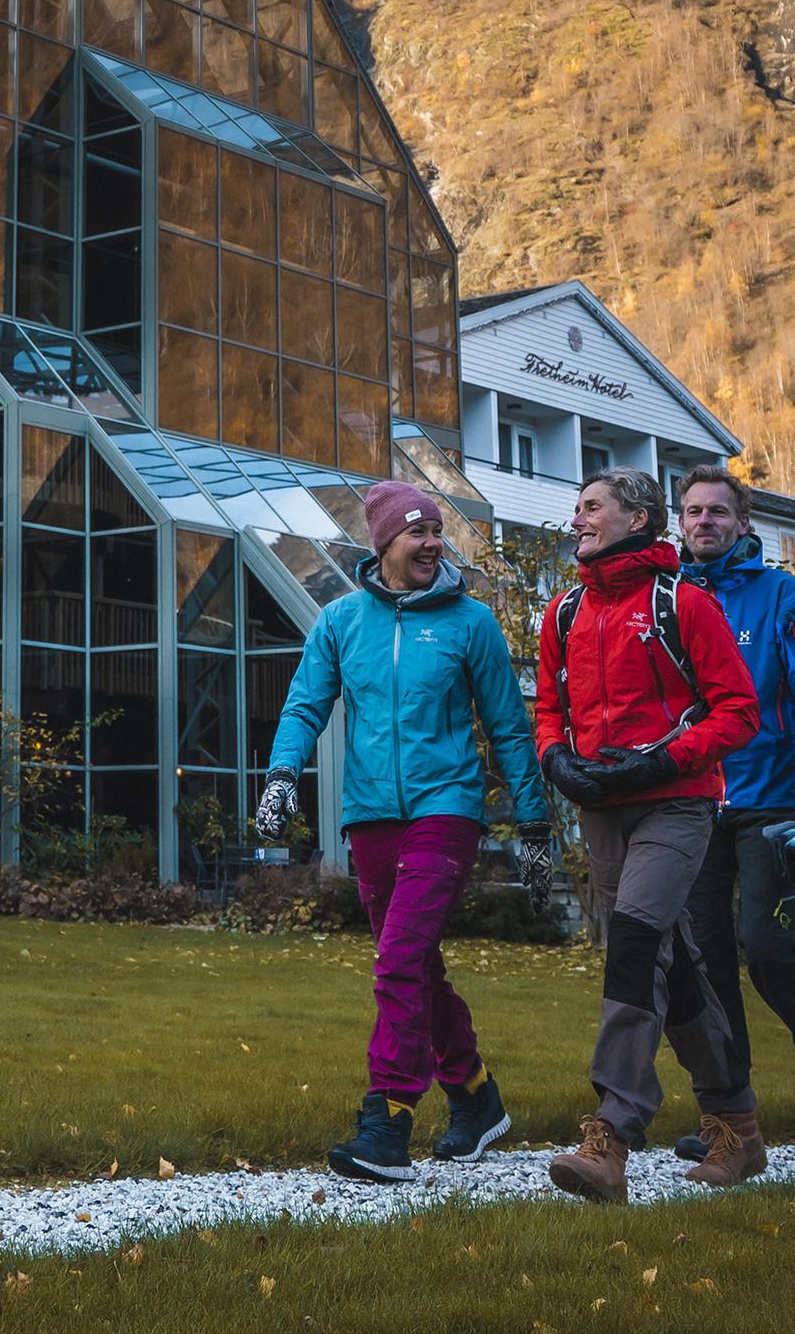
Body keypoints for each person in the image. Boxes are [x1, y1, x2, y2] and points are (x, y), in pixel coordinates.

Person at [257, 479, 540, 1184]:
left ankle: (388, 1118)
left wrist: (533, 820)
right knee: (415, 963)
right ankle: (475, 1096)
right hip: (371, 816)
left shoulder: (470, 623)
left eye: (437, 530)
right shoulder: (341, 623)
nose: (432, 542)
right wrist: (283, 774)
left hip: (447, 810)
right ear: (383, 543)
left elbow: (509, 725)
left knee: (397, 962)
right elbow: (302, 706)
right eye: (417, 532)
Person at [533, 466, 765, 1203]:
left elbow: (738, 710)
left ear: (637, 517)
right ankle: (736, 1124)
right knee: (671, 963)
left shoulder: (682, 602)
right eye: (577, 509)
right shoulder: (562, 613)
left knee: (635, 942)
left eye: (591, 507)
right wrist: (555, 759)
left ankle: (612, 1133)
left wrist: (666, 758)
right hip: (601, 806)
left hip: (677, 803)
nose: (578, 520)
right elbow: (547, 708)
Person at [671, 467, 795, 1153]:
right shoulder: (669, 599)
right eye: (693, 511)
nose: (704, 522)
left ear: (742, 523)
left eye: (718, 511)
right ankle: (729, 1116)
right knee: (705, 962)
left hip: (775, 801)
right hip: (694, 802)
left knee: (770, 946)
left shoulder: (781, 595)